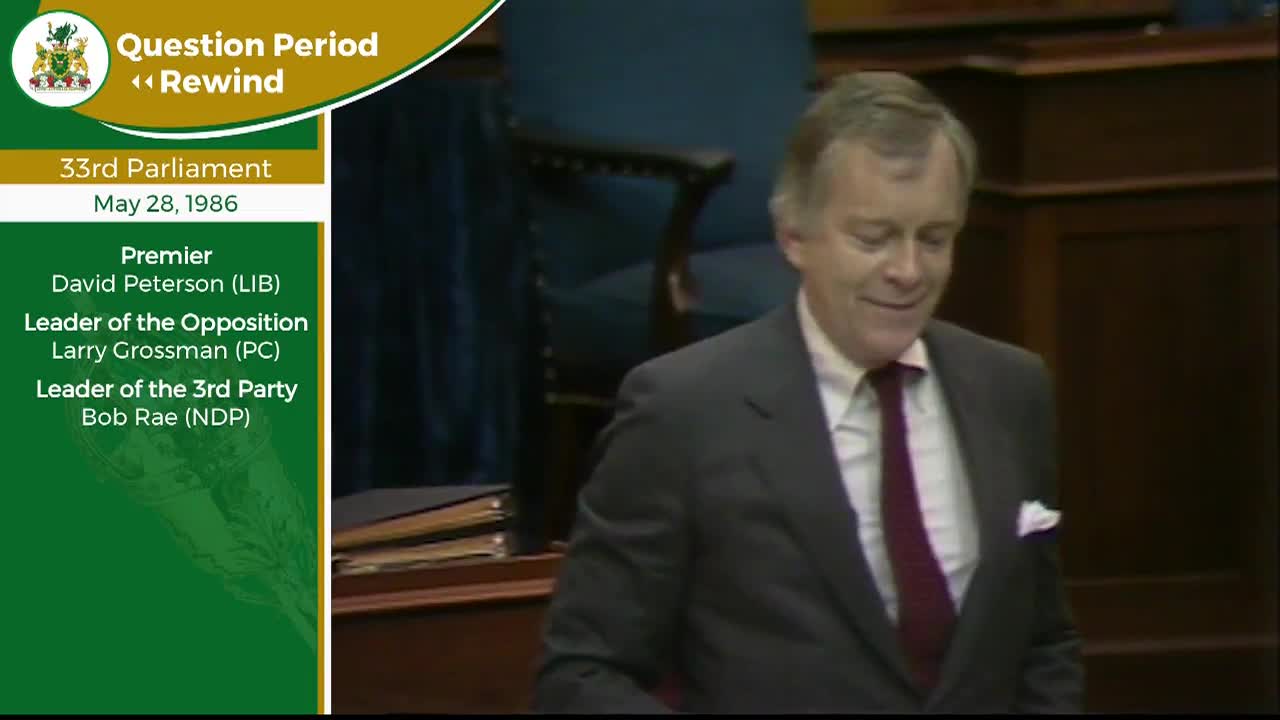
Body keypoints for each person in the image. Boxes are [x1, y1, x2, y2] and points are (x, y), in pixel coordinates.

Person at [532, 71, 1084, 713]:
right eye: (872, 238)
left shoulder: (1011, 390)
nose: (907, 271)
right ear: (794, 236)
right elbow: (579, 675)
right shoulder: (683, 411)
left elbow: (1044, 643)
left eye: (933, 239)